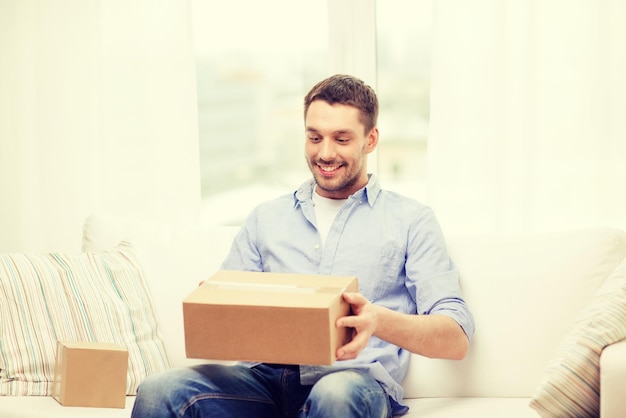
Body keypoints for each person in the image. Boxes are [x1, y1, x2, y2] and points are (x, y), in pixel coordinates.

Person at [131, 74, 475, 418]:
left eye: (341, 139)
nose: (325, 153)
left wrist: (377, 320)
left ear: (370, 140)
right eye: (314, 137)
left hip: (352, 381)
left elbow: (455, 337)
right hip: (261, 381)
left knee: (337, 395)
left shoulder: (411, 220)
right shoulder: (265, 218)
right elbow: (227, 311)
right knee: (160, 391)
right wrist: (217, 305)